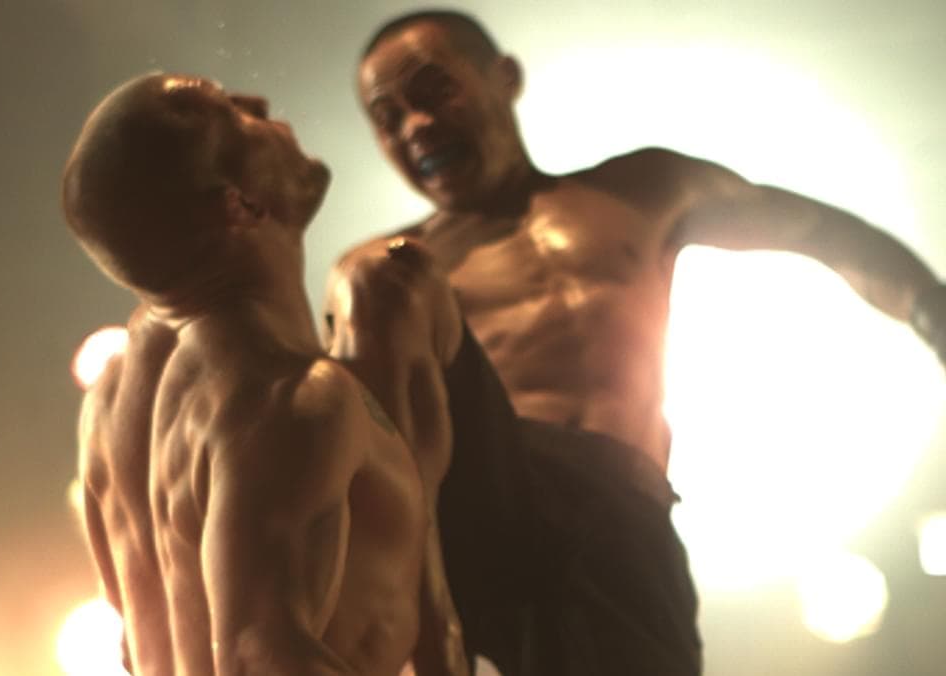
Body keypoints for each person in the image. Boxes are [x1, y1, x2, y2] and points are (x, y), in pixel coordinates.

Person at [341, 9, 946, 675]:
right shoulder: (391, 276)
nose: (416, 126)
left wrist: (935, 315)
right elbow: (352, 433)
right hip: (478, 519)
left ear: (504, 77)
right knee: (376, 283)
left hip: (622, 520)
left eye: (433, 91)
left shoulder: (643, 190)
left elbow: (828, 234)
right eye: (387, 117)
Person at [65, 73, 467, 676]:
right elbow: (259, 657)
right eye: (228, 112)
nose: (257, 102)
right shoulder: (291, 398)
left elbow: (133, 642)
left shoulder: (106, 408)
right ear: (240, 205)